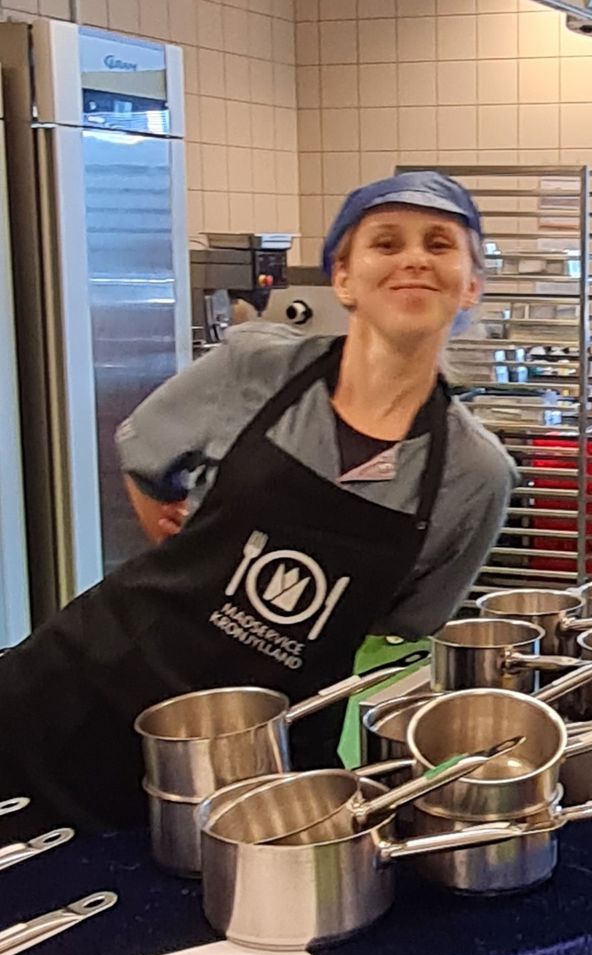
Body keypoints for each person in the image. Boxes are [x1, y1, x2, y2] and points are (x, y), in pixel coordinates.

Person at [0, 171, 516, 829]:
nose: (414, 258)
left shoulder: (476, 475)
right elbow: (147, 462)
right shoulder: (254, 367)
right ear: (344, 278)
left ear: (471, 284)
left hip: (265, 754)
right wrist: (193, 559)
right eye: (386, 243)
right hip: (90, 688)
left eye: (439, 244)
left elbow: (406, 618)